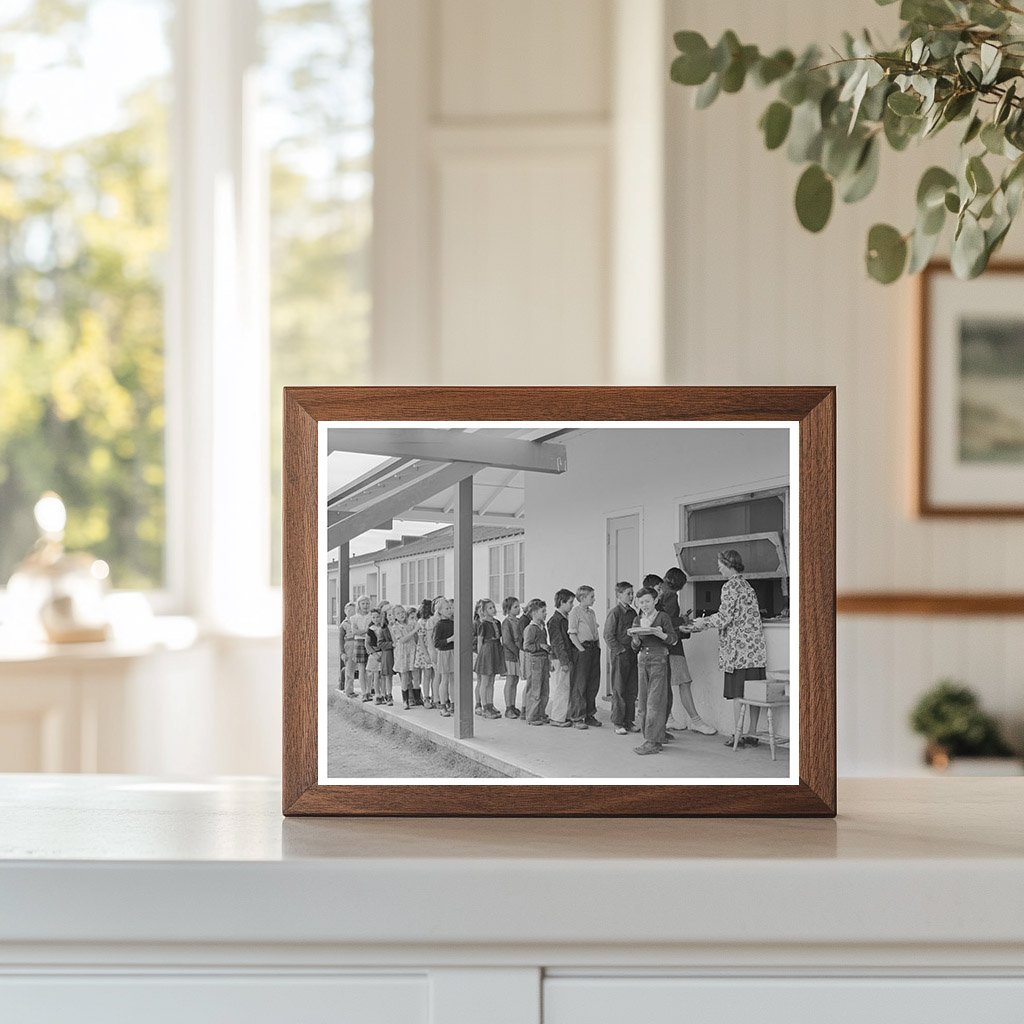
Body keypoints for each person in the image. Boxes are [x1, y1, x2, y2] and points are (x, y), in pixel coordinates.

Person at [685, 549, 768, 748]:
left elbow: (724, 617)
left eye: (720, 564)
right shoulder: (747, 586)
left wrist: (701, 623)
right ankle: (752, 732)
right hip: (754, 651)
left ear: (729, 564)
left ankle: (738, 734)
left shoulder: (730, 586)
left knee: (738, 694)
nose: (718, 568)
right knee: (753, 693)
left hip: (738, 651)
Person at [660, 567, 716, 735]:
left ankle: (669, 719)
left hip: (663, 646)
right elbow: (667, 622)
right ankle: (696, 721)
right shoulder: (670, 596)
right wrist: (684, 622)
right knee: (684, 682)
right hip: (672, 647)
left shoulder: (660, 595)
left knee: (666, 684)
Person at [630, 586, 678, 755]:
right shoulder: (638, 619)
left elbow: (673, 640)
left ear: (655, 600)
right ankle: (653, 736)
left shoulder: (663, 617)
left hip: (659, 660)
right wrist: (635, 639)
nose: (644, 605)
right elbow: (635, 647)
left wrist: (660, 634)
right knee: (643, 702)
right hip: (643, 661)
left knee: (655, 702)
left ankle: (653, 741)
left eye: (648, 601)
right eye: (641, 602)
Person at [603, 581, 639, 736]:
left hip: (633, 654)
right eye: (628, 593)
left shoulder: (633, 613)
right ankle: (618, 722)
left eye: (632, 593)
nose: (631, 596)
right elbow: (608, 636)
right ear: (619, 595)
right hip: (620, 655)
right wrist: (620, 650)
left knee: (632, 689)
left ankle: (629, 721)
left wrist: (635, 647)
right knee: (619, 689)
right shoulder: (615, 612)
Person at [567, 585, 601, 728]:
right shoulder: (575, 612)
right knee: (580, 684)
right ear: (582, 598)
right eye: (591, 596)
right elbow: (572, 633)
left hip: (593, 649)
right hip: (583, 649)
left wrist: (598, 646)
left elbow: (595, 631)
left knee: (593, 683)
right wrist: (581, 650)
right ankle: (577, 717)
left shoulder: (591, 613)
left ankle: (589, 714)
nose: (594, 599)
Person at [545, 589, 575, 728]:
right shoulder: (555, 621)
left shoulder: (565, 618)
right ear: (562, 602)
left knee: (565, 687)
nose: (572, 605)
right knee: (561, 688)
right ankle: (557, 718)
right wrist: (563, 661)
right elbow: (557, 643)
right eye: (570, 602)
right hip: (560, 659)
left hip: (566, 658)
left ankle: (563, 715)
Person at [522, 598, 551, 725]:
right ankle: (532, 716)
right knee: (535, 689)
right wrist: (540, 646)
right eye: (543, 611)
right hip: (535, 662)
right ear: (534, 613)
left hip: (544, 660)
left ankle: (541, 713)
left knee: (544, 689)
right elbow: (526, 646)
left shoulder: (542, 627)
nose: (545, 613)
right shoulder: (531, 628)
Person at [473, 599, 503, 719]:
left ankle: (490, 704)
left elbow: (499, 638)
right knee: (484, 681)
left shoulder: (497, 622)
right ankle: (484, 706)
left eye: (493, 607)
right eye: (490, 608)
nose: (493, 609)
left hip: (495, 649)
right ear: (484, 611)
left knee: (491, 680)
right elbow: (480, 640)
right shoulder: (483, 624)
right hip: (486, 651)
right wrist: (481, 656)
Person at [389, 604, 418, 709]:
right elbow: (402, 640)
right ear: (394, 616)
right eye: (398, 613)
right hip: (402, 654)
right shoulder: (395, 627)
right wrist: (414, 631)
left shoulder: (410, 624)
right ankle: (405, 700)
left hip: (412, 651)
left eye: (402, 612)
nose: (401, 615)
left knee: (415, 675)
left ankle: (417, 697)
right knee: (404, 677)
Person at [500, 597, 524, 719]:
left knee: (515, 681)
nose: (518, 608)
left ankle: (513, 705)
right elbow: (507, 641)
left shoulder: (518, 621)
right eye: (515, 607)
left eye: (518, 606)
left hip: (518, 654)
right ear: (508, 609)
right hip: (510, 655)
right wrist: (517, 651)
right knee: (510, 681)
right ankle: (508, 707)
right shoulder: (506, 622)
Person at [432, 597, 455, 717]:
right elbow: (437, 643)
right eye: (447, 608)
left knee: (453, 679)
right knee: (444, 679)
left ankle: (453, 703)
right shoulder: (439, 625)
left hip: (453, 652)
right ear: (440, 611)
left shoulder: (453, 623)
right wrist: (450, 639)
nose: (450, 610)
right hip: (444, 653)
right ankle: (443, 704)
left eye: (450, 608)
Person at [349, 595, 373, 697]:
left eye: (367, 603)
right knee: (361, 669)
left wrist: (363, 632)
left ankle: (369, 690)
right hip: (359, 643)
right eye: (363, 603)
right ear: (359, 605)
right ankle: (364, 692)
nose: (365, 606)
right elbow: (354, 632)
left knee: (370, 669)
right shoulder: (354, 618)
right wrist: (366, 631)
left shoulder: (372, 616)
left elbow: (372, 631)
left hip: (370, 642)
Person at [414, 598, 436, 709]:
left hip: (433, 649)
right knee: (427, 675)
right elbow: (421, 640)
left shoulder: (434, 620)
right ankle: (426, 697)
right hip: (425, 651)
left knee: (435, 675)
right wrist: (426, 654)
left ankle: (435, 697)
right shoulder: (421, 622)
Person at [375, 602, 395, 706]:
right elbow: (380, 644)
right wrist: (392, 644)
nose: (392, 617)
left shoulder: (400, 626)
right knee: (388, 676)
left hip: (400, 653)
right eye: (390, 615)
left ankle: (409, 696)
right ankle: (389, 694)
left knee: (404, 674)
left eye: (393, 614)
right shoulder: (383, 630)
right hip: (388, 654)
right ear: (386, 617)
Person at [363, 608, 383, 703]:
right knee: (373, 674)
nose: (376, 619)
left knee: (380, 675)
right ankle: (374, 694)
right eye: (374, 617)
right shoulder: (370, 630)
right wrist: (374, 653)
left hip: (382, 653)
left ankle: (382, 693)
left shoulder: (383, 628)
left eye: (378, 617)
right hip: (374, 654)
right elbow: (367, 644)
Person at [339, 600, 357, 695]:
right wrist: (342, 652)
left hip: (358, 644)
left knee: (363, 668)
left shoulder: (358, 621)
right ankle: (349, 690)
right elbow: (341, 640)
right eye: (349, 610)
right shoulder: (344, 624)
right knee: (349, 669)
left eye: (354, 610)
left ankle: (368, 690)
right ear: (345, 611)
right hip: (349, 646)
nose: (352, 612)